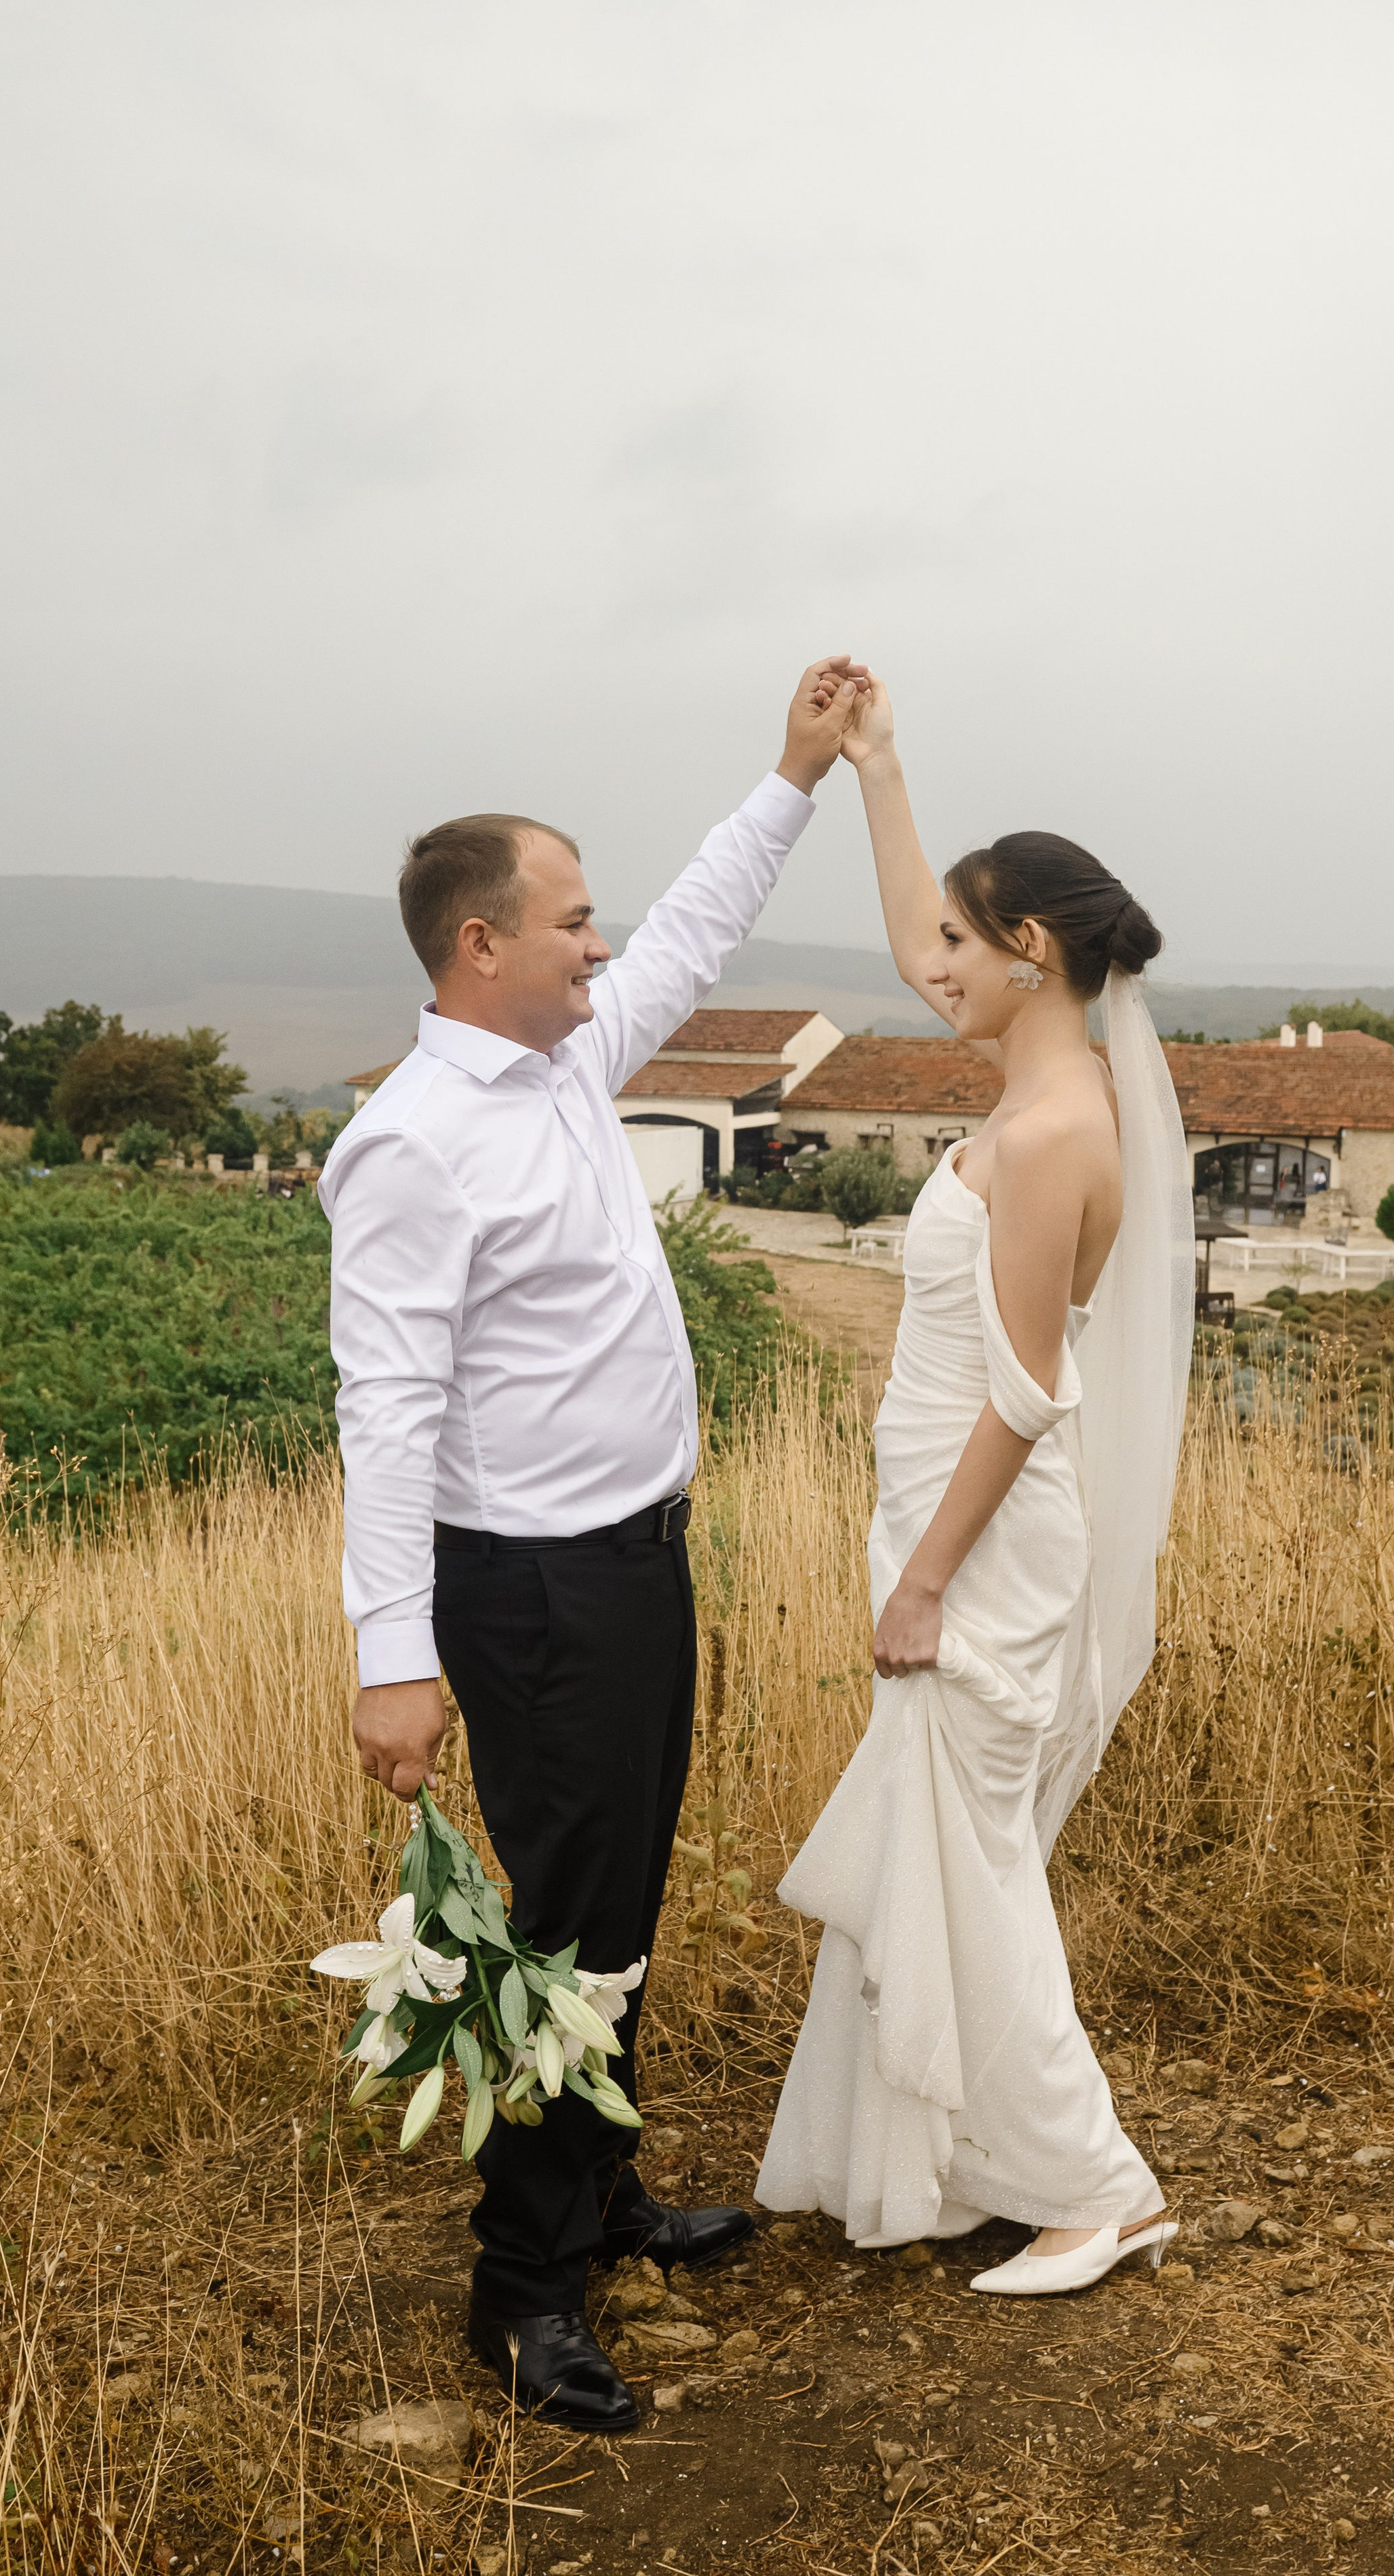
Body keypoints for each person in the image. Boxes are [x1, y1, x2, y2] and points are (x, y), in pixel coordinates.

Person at [319, 657, 865, 2430]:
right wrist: (392, 1656)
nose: (599, 943)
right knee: (565, 1934)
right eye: (570, 921)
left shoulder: (563, 1062)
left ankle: (602, 2188)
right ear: (479, 943)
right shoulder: (410, 1146)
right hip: (534, 1589)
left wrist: (792, 776)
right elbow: (385, 1411)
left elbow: (693, 933)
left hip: (634, 1561)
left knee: (618, 1902)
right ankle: (522, 2289)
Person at [756, 677, 1194, 2293]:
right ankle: (951, 2161)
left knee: (975, 1868)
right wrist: (874, 767)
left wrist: (925, 1579)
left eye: (960, 942)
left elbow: (1024, 1389)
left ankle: (1097, 2185)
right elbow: (913, 943)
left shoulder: (1051, 1128)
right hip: (945, 1518)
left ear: (1030, 953)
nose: (928, 966)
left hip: (981, 1542)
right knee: (945, 1855)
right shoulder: (1034, 1080)